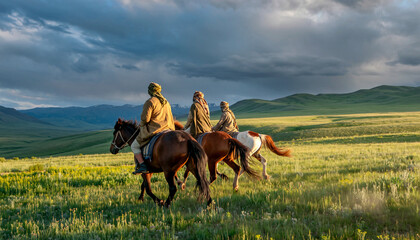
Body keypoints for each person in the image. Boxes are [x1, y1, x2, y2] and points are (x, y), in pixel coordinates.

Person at [131, 82, 175, 174]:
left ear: (150, 91)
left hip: (155, 130)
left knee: (134, 146)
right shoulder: (166, 102)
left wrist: (142, 124)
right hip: (168, 129)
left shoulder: (150, 101)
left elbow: (145, 119)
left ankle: (142, 165)